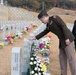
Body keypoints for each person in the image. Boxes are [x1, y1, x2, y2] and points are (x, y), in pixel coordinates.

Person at [29, 10, 76, 75]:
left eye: (41, 20)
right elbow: (44, 32)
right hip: (62, 41)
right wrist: (34, 38)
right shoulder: (48, 25)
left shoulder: (55, 18)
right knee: (62, 57)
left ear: (44, 17)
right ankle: (63, 73)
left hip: (67, 39)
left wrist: (67, 38)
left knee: (71, 58)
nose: (42, 22)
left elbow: (63, 26)